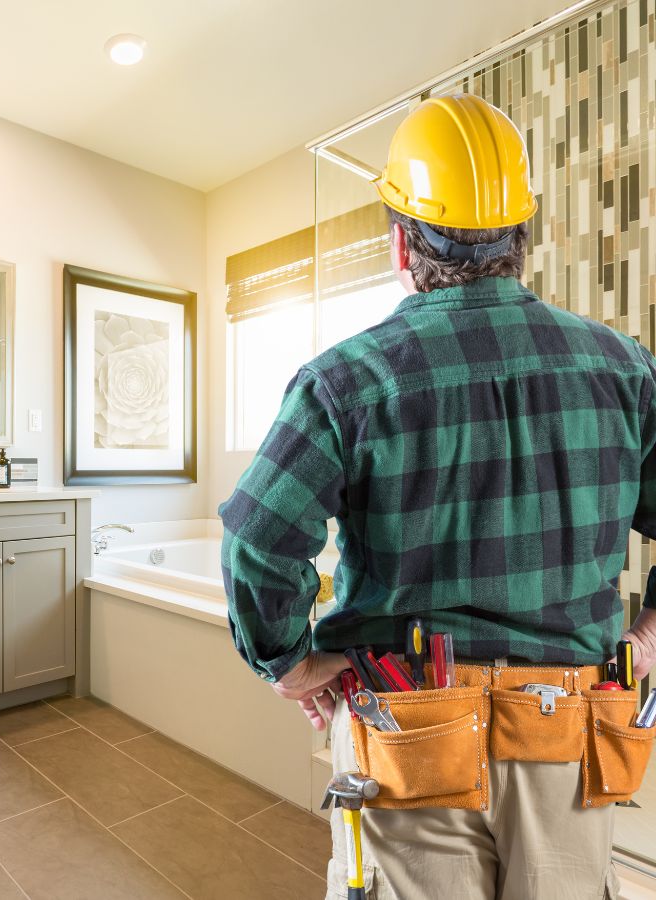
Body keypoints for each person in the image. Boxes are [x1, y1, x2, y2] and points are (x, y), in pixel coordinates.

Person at [220, 93, 656, 899]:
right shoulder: (624, 370)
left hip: (406, 726)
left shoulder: (344, 380)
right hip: (569, 725)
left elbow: (256, 534)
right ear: (523, 239)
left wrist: (289, 661)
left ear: (400, 242)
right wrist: (651, 634)